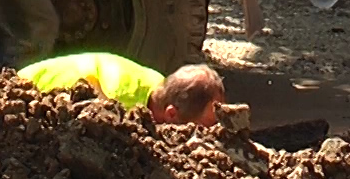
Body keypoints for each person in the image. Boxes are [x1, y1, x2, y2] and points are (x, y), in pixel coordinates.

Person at [21, 54, 227, 127]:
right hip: (19, 97)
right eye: (205, 127)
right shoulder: (115, 107)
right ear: (171, 114)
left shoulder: (158, 84)